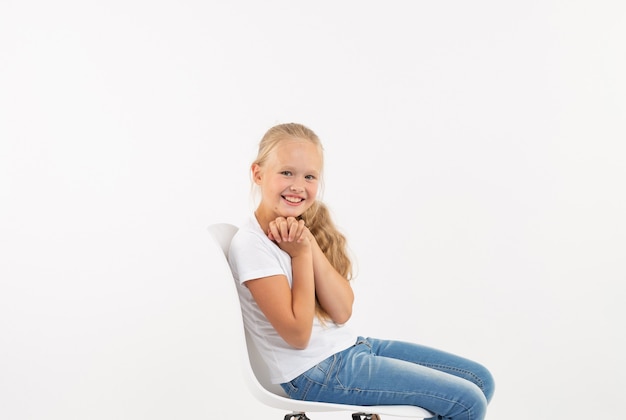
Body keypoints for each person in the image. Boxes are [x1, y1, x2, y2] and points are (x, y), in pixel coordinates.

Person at [228, 123, 495, 420]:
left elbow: (342, 312)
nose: (298, 186)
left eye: (309, 176)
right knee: (467, 402)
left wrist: (309, 245)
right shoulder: (252, 245)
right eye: (286, 172)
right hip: (315, 373)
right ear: (258, 173)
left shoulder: (298, 233)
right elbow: (298, 337)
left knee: (481, 381)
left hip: (350, 349)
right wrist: (301, 255)